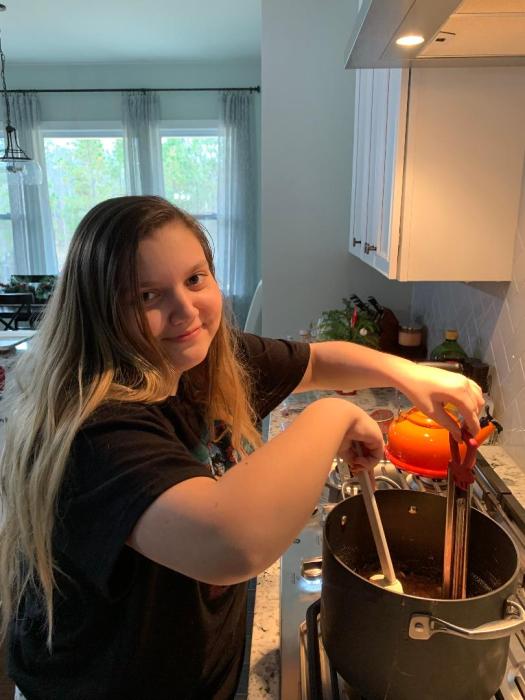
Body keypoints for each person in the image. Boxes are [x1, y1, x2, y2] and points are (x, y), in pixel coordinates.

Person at [0, 196, 484, 700]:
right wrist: (331, 415)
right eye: (147, 296)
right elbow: (230, 543)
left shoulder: (199, 362)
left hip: (191, 667)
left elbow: (318, 362)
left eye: (195, 279)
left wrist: (408, 374)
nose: (185, 310)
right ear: (100, 312)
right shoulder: (94, 428)